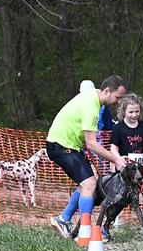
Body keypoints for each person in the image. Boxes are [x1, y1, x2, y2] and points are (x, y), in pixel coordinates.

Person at [48, 75, 128, 237]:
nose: (118, 102)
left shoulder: (93, 96)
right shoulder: (92, 106)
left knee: (86, 184)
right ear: (107, 91)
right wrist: (116, 159)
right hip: (62, 146)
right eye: (117, 97)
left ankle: (63, 219)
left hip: (67, 145)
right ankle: (85, 232)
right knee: (90, 184)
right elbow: (92, 143)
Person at [109, 93, 143, 238]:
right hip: (125, 171)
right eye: (131, 112)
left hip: (141, 170)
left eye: (137, 111)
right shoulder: (118, 128)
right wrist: (118, 159)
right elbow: (113, 148)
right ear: (123, 111)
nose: (134, 115)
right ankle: (106, 225)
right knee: (121, 199)